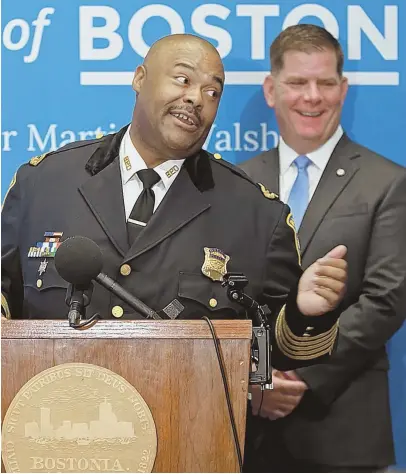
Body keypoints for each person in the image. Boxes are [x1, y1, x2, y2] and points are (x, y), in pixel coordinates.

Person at [2, 34, 347, 371]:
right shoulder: (43, 183)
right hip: (52, 417)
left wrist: (305, 311)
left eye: (212, 92)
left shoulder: (256, 214)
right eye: (183, 80)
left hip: (187, 423)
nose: (196, 98)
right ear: (140, 78)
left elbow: (275, 350)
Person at [240, 24, 406, 472]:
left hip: (343, 429)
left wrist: (297, 376)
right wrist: (254, 380)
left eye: (325, 82)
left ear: (343, 89)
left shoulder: (387, 182)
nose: (312, 96)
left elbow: (386, 299)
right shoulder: (236, 183)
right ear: (272, 90)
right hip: (245, 433)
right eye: (297, 82)